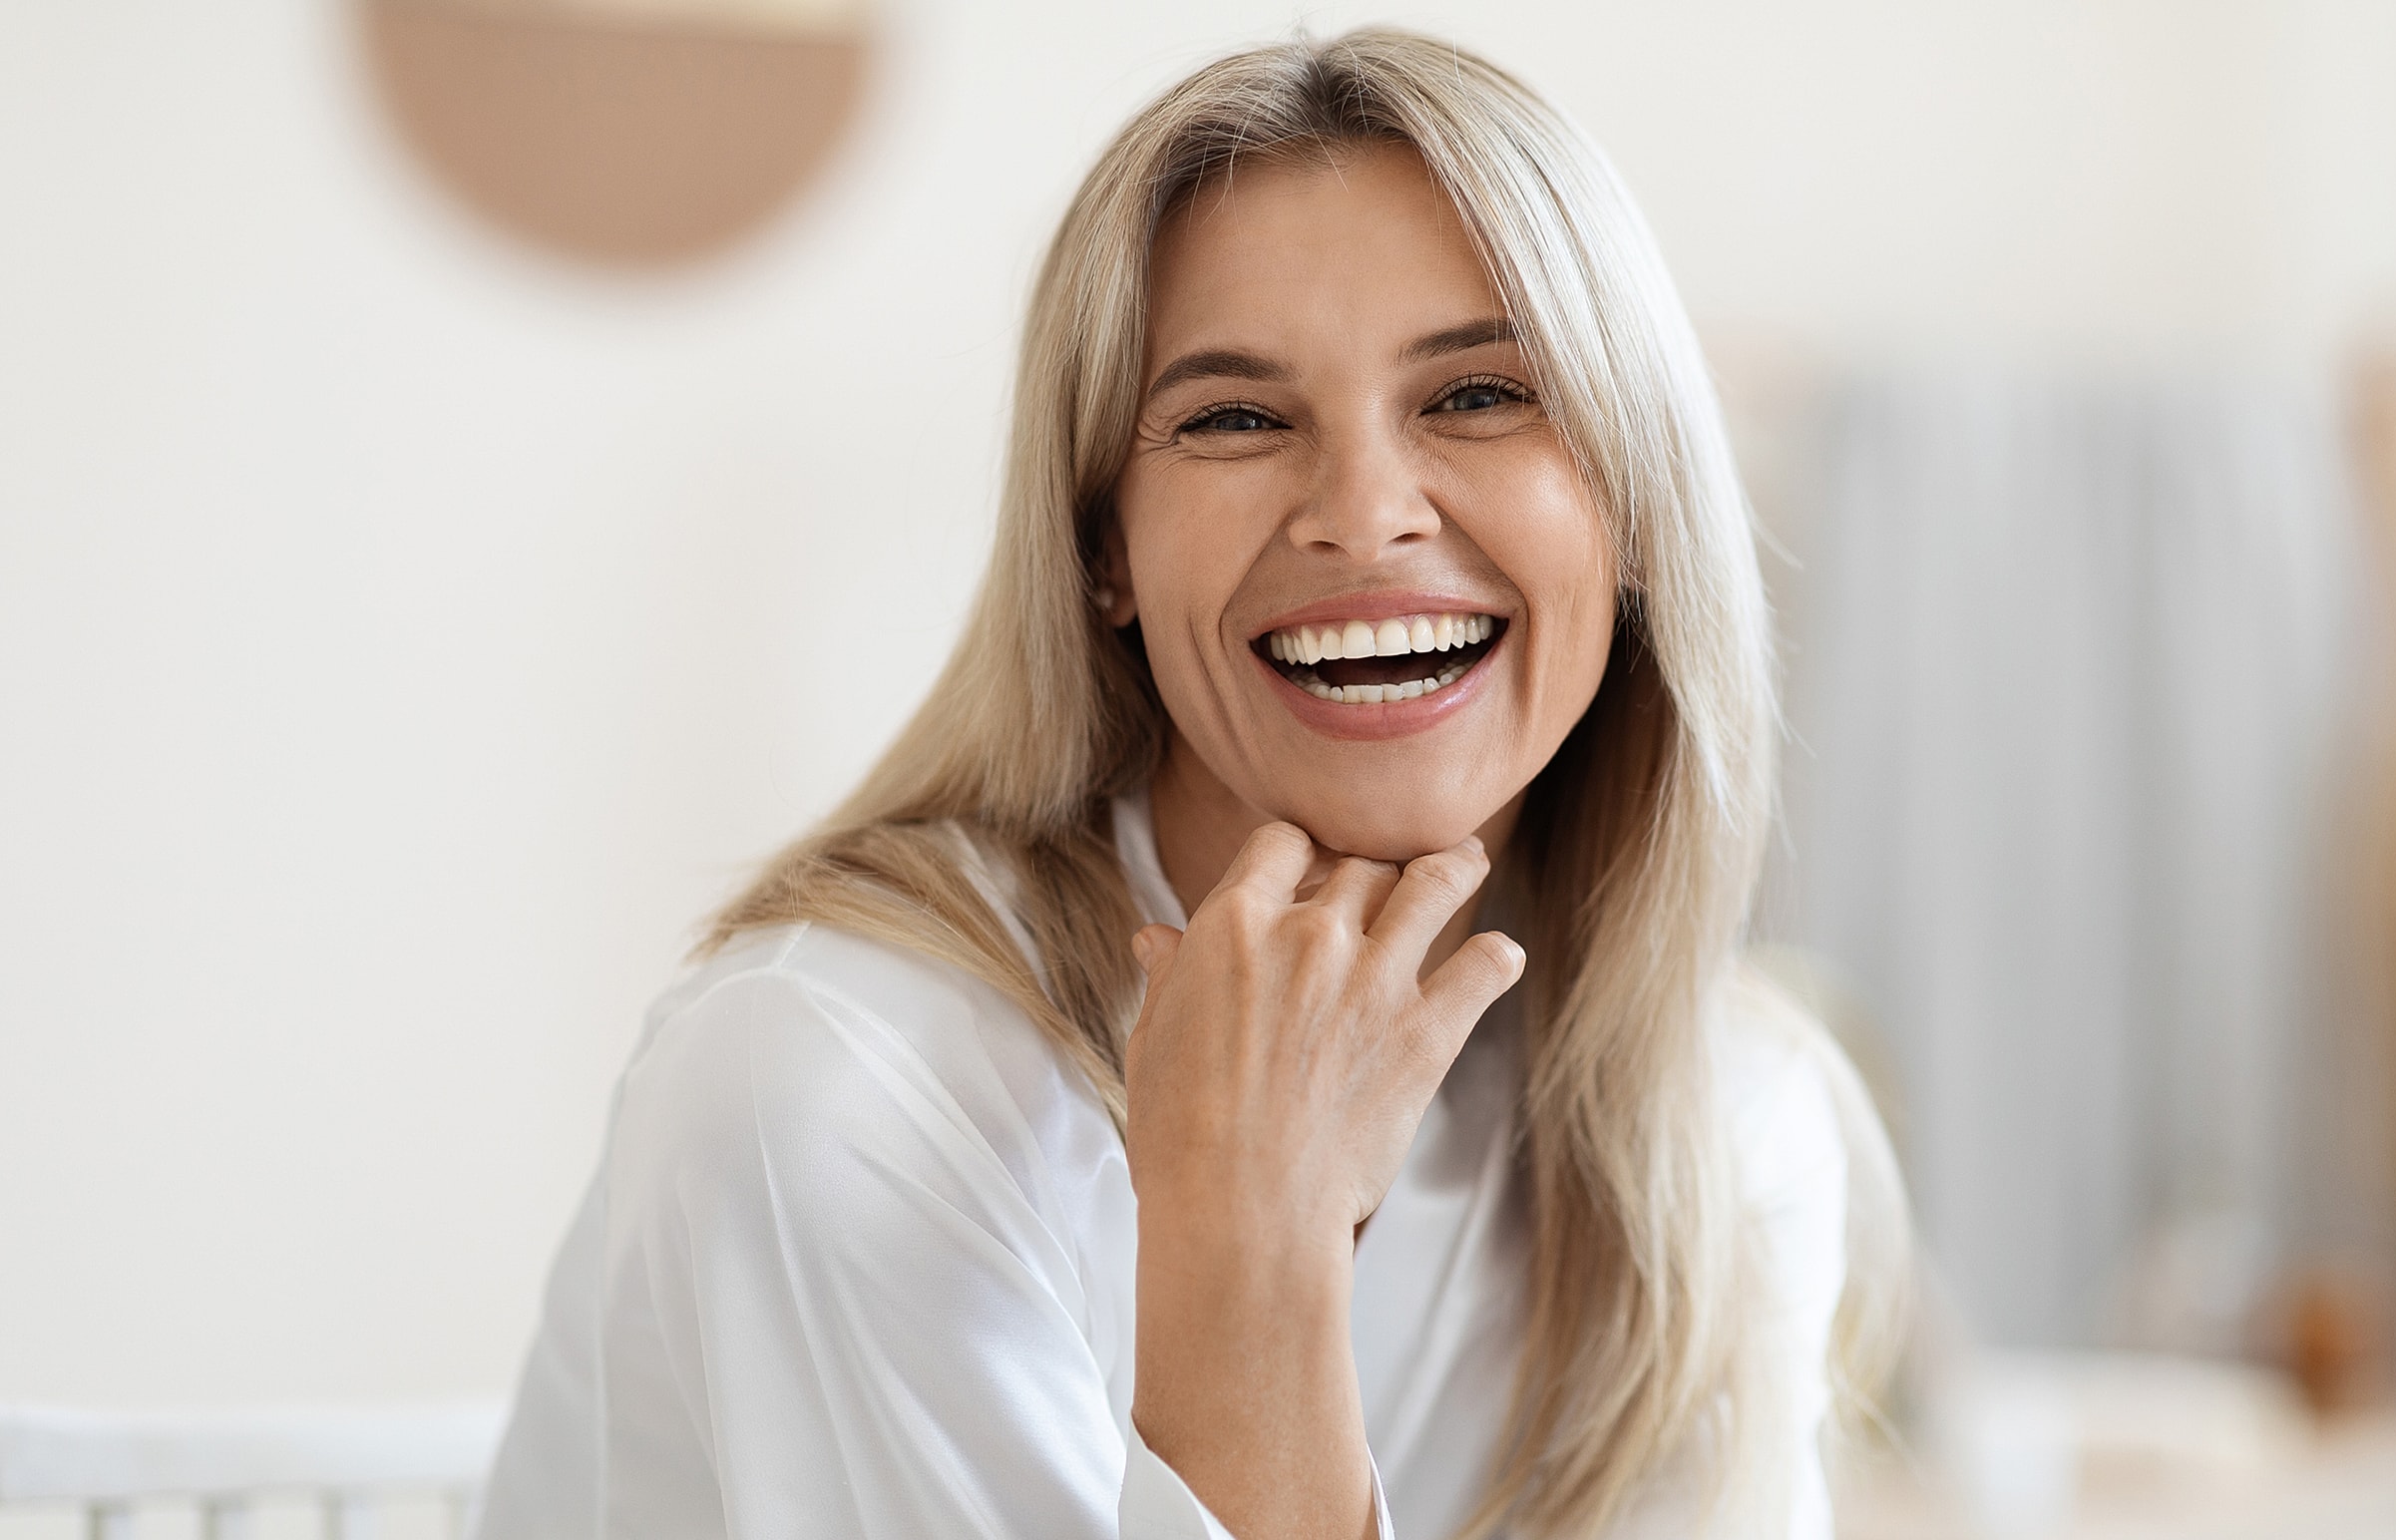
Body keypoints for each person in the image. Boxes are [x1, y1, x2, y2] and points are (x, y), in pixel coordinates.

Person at [477, 28, 1905, 1540]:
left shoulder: (1722, 1125)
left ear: (1635, 507)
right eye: (1236, 418)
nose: (1364, 514)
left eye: (1479, 393)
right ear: (1103, 548)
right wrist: (1253, 1267)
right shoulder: (841, 1089)